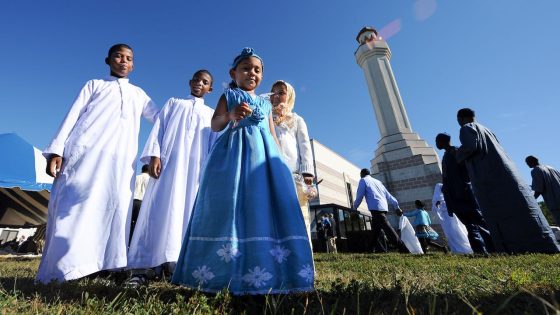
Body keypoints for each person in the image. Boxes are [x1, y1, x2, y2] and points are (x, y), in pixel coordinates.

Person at [171, 48, 314, 295]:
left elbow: (272, 134)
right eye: (246, 68)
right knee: (232, 203)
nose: (252, 73)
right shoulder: (230, 95)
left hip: (264, 161)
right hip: (233, 156)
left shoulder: (266, 104)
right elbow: (215, 124)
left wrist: (279, 164)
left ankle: (277, 270)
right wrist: (230, 115)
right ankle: (221, 272)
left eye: (257, 70)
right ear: (233, 73)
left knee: (263, 205)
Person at [36, 44, 159, 283]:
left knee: (115, 209)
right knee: (77, 207)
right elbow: (72, 115)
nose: (123, 61)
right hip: (85, 156)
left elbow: (162, 119)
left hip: (120, 164)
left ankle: (108, 267)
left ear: (133, 65)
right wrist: (57, 150)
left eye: (128, 58)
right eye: (118, 56)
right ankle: (66, 268)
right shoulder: (94, 85)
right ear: (108, 60)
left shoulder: (139, 94)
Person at [126, 70, 217, 286]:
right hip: (168, 166)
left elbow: (213, 145)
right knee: (159, 208)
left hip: (196, 171)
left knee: (187, 212)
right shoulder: (174, 103)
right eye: (196, 79)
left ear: (210, 89)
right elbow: (159, 129)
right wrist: (154, 156)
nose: (199, 84)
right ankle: (146, 264)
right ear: (189, 82)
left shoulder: (212, 114)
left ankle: (180, 264)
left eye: (204, 82)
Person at [456, 108, 559, 253]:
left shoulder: (467, 128)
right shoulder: (487, 130)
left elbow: (470, 147)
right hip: (505, 175)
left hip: (490, 178)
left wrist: (457, 155)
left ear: (460, 118)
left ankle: (512, 247)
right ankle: (544, 245)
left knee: (501, 215)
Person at [271, 80, 315, 245]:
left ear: (289, 96)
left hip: (293, 174)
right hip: (271, 173)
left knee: (297, 214)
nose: (276, 96)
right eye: (273, 92)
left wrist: (307, 171)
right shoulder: (265, 117)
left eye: (281, 92)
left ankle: (303, 258)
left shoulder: (296, 119)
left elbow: (304, 145)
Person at [435, 133, 493, 254]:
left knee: (479, 221)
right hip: (455, 196)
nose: (436, 144)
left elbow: (466, 172)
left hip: (465, 193)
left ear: (443, 141)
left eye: (437, 141)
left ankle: (493, 248)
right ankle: (479, 250)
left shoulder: (456, 152)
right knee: (469, 225)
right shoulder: (446, 156)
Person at [353, 168, 407, 253]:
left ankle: (403, 248)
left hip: (375, 208)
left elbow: (360, 196)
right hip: (384, 207)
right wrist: (396, 207)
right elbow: (388, 195)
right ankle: (372, 249)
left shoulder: (363, 180)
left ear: (362, 174)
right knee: (376, 231)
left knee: (387, 228)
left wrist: (354, 207)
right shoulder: (378, 182)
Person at [432, 184, 472, 254]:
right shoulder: (438, 199)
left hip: (454, 218)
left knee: (459, 231)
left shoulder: (449, 197)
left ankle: (466, 248)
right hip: (447, 220)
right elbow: (437, 209)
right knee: (452, 234)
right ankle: (457, 249)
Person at [526, 155, 560, 226]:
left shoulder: (536, 170)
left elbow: (539, 189)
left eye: (527, 162)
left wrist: (531, 201)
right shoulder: (551, 168)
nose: (527, 164)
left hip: (555, 202)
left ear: (531, 162)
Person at [129, 164, 150, 245]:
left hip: (132, 202)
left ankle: (129, 241)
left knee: (131, 223)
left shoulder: (136, 177)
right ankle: (135, 244)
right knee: (139, 224)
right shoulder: (149, 179)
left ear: (142, 170)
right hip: (141, 203)